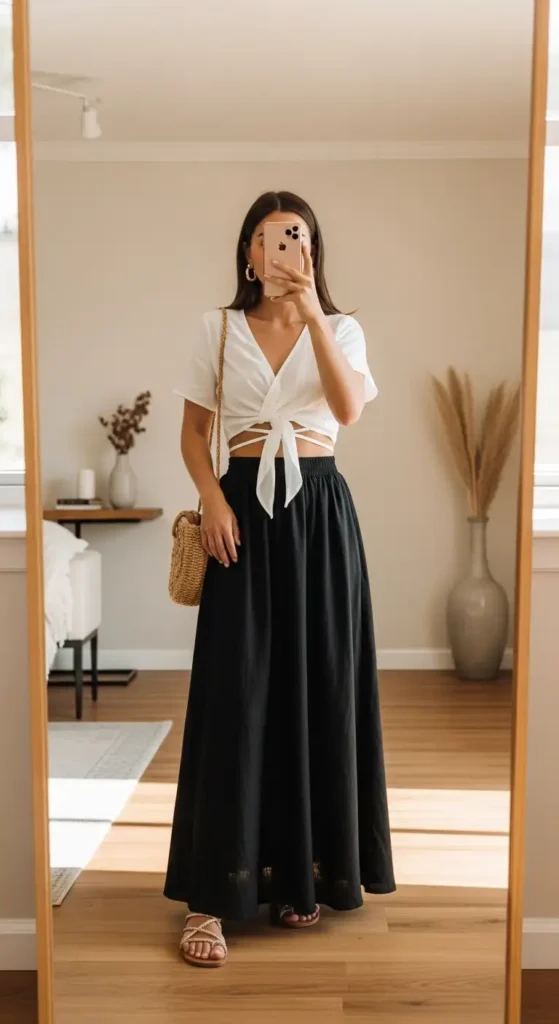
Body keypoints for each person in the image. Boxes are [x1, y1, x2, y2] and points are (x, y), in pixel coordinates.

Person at [164, 190, 395, 967]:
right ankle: (210, 899)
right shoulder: (217, 328)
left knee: (318, 685)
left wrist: (314, 318)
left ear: (312, 251)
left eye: (294, 238)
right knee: (237, 693)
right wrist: (211, 500)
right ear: (246, 256)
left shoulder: (346, 329)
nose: (280, 251)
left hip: (320, 515)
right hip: (240, 513)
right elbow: (195, 433)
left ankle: (302, 873)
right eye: (266, 239)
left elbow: (347, 411)